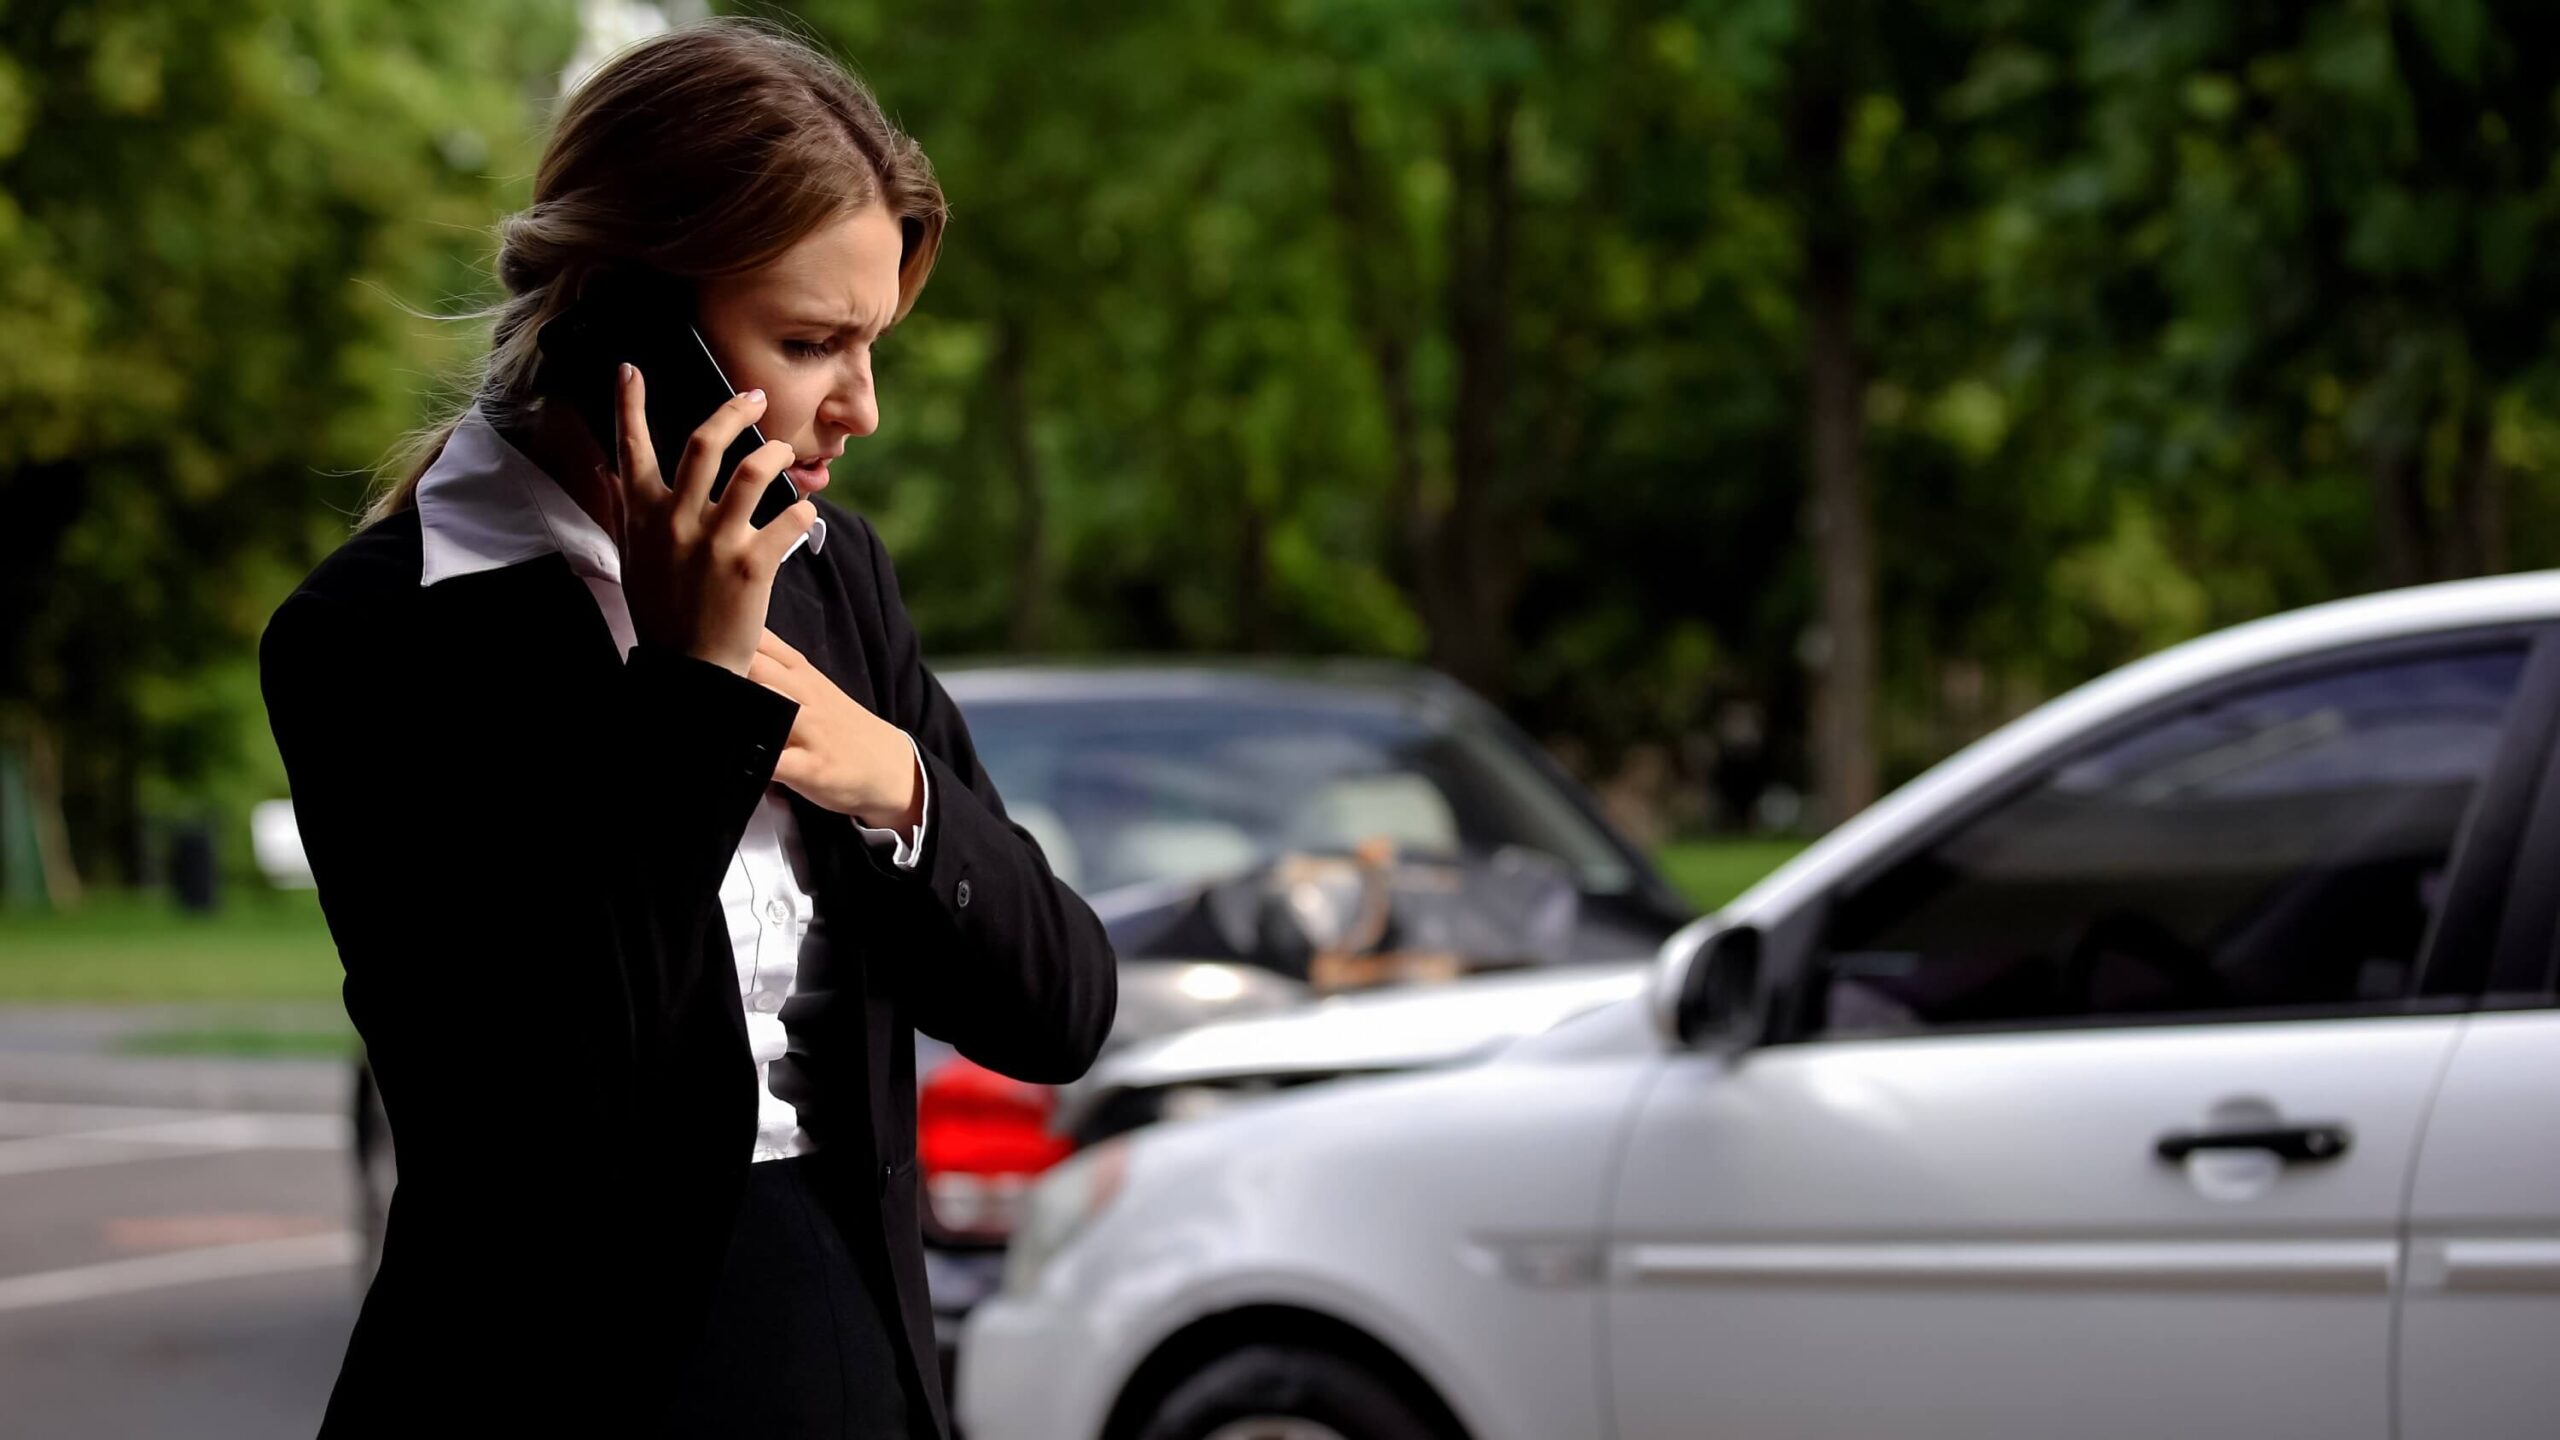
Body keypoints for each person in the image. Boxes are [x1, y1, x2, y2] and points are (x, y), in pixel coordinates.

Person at [256, 18, 1116, 1438]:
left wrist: (890, 778)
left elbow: (1060, 1006)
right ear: (628, 328)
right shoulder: (380, 639)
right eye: (810, 341)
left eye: (874, 343)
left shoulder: (835, 579)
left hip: (859, 1371)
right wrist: (697, 691)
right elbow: (545, 1126)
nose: (864, 408)